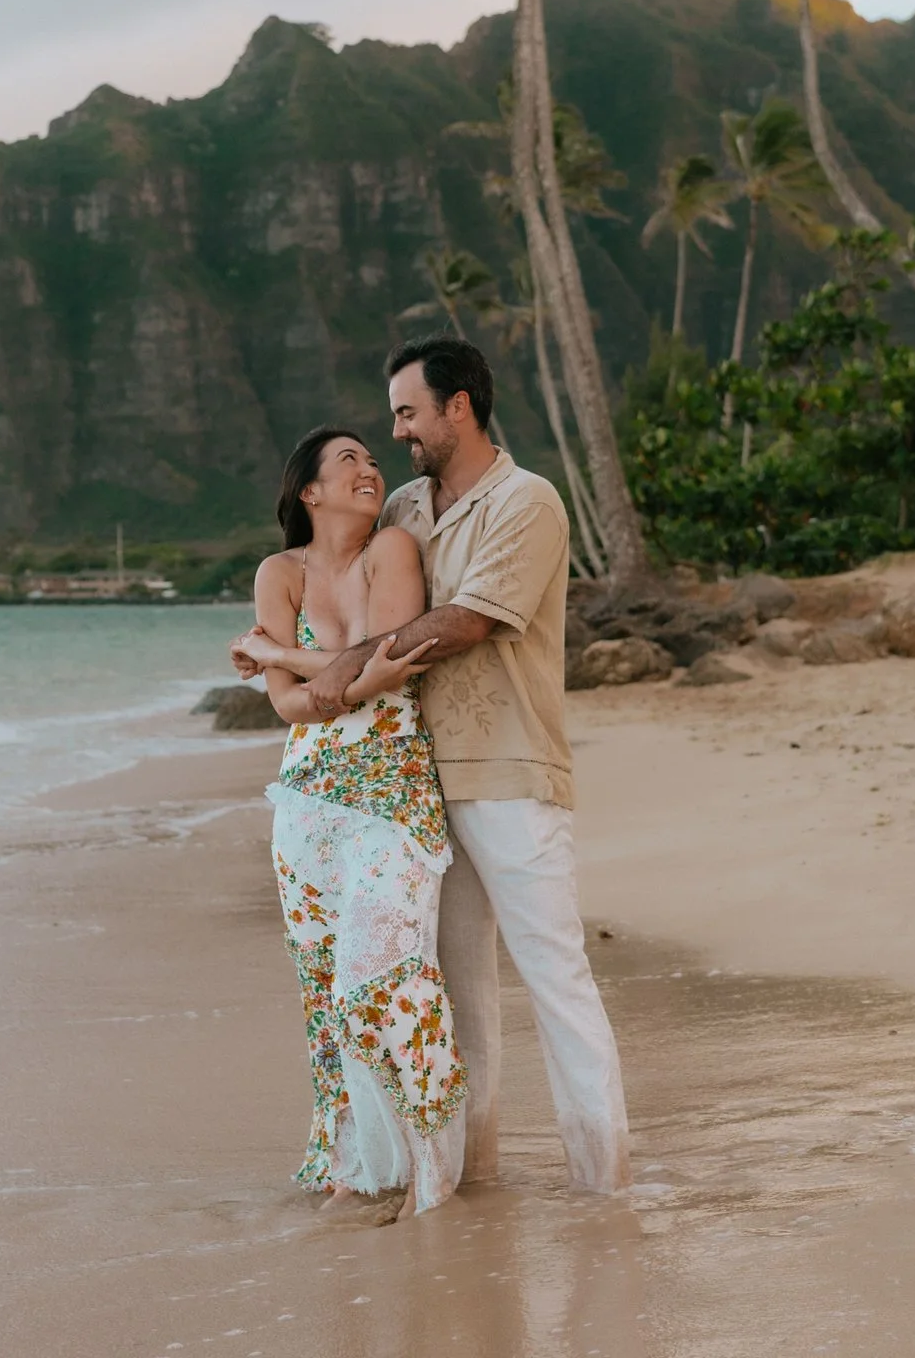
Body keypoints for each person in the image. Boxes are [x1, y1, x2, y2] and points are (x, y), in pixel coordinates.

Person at [233, 337, 629, 1194]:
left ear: (460, 406)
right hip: (415, 788)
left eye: (409, 413)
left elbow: (465, 623)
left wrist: (335, 665)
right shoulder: (405, 510)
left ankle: (606, 1185)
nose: (400, 432)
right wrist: (309, 662)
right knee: (454, 1003)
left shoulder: (529, 501)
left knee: (556, 980)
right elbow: (335, 590)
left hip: (510, 771)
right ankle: (469, 1183)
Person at [248, 425, 466, 1216]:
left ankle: (435, 1172)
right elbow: (287, 707)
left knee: (382, 982)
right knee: (322, 997)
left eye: (373, 460)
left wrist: (293, 659)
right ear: (310, 490)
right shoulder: (280, 571)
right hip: (306, 804)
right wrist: (348, 674)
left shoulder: (394, 551)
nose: (370, 469)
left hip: (393, 793)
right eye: (350, 462)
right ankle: (354, 1165)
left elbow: (396, 653)